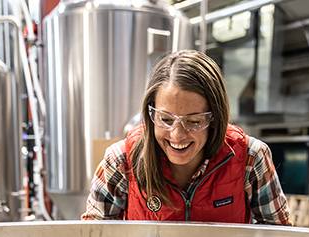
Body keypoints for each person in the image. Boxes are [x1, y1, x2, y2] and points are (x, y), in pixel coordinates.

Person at [81, 50, 290, 225]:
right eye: (165, 119)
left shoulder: (251, 158)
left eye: (194, 121)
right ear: (150, 113)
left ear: (215, 118)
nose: (177, 135)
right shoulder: (120, 160)